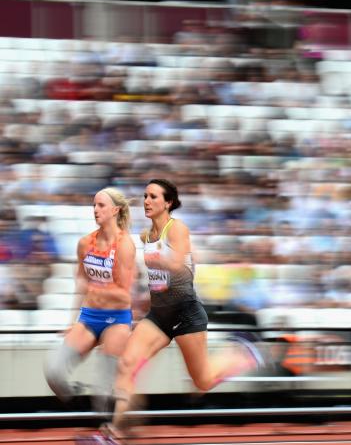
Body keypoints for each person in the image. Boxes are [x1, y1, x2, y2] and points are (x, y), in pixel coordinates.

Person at [102, 179, 263, 442]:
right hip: (159, 315)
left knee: (202, 381)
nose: (147, 201)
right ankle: (117, 430)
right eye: (145, 196)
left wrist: (159, 260)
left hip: (185, 313)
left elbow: (180, 266)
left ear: (168, 203)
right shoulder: (146, 235)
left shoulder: (177, 230)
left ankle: (241, 355)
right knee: (127, 363)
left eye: (153, 197)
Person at [44, 187, 136, 414]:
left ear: (115, 210)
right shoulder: (85, 243)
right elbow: (81, 283)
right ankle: (76, 399)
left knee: (102, 396)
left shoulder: (125, 245)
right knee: (54, 372)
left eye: (101, 205)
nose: (95, 210)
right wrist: (71, 321)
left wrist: (98, 290)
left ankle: (105, 427)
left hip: (116, 320)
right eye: (93, 205)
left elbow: (124, 294)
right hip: (89, 317)